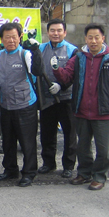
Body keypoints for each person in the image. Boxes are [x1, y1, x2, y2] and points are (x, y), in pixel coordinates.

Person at [51, 22, 109, 191]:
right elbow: (66, 77)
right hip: (81, 112)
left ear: (103, 38)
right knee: (83, 146)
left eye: (97, 37)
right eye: (90, 37)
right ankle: (84, 173)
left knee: (104, 149)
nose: (93, 41)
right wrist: (56, 68)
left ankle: (99, 176)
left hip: (104, 112)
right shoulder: (79, 58)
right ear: (85, 39)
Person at [0, 22, 43, 187]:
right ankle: (10, 170)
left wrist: (36, 51)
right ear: (1, 39)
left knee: (27, 141)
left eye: (14, 37)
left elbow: (37, 71)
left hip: (26, 105)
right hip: (6, 105)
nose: (11, 40)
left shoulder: (25, 54)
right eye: (7, 37)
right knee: (8, 141)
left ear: (20, 38)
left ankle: (29, 173)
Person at [36, 19, 79, 178]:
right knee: (47, 132)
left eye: (59, 30)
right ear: (48, 32)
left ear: (65, 32)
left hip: (67, 98)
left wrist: (62, 86)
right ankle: (48, 163)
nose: (56, 33)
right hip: (47, 98)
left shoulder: (73, 50)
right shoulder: (41, 49)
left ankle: (68, 165)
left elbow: (75, 74)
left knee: (69, 133)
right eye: (52, 30)